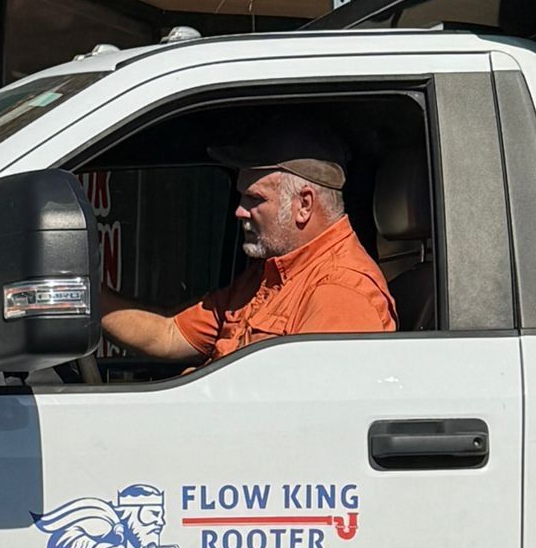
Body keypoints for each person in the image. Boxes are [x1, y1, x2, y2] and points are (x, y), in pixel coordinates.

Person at [100, 119, 396, 365]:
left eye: (255, 199)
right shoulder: (270, 273)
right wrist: (76, 298)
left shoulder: (340, 292)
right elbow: (169, 334)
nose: (239, 210)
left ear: (304, 204)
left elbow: (304, 418)